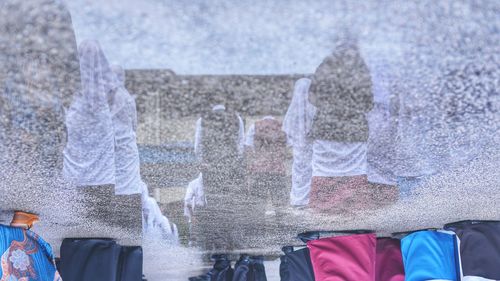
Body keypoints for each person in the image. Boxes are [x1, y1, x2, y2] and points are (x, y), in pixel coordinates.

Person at [307, 36, 375, 214]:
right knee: (354, 190)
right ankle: (353, 229)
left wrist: (331, 108)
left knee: (324, 181)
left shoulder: (326, 65)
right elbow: (368, 103)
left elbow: (312, 98)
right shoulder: (361, 68)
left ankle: (326, 228)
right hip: (354, 132)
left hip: (326, 131)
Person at [282, 78, 316, 207]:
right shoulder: (314, 109)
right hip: (313, 152)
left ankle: (298, 201)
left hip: (299, 153)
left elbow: (287, 131)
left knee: (300, 175)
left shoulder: (293, 110)